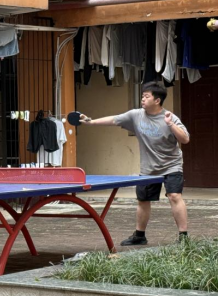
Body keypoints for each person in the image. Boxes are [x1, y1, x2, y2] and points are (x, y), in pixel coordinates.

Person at [80, 81, 190, 246]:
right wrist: (91, 122)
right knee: (143, 200)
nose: (142, 99)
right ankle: (139, 235)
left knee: (174, 196)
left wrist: (171, 124)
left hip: (171, 164)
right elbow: (114, 120)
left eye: (146, 96)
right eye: (142, 96)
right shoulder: (135, 115)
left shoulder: (170, 117)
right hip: (148, 167)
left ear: (157, 100)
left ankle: (183, 237)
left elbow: (185, 139)